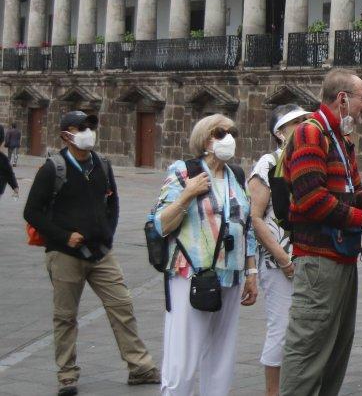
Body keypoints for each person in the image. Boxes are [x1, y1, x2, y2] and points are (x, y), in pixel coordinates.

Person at [24, 111, 159, 396]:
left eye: (91, 126)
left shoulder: (102, 165)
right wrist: (63, 236)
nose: (89, 132)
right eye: (81, 127)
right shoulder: (53, 169)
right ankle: (67, 375)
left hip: (101, 253)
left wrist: (108, 231)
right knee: (65, 316)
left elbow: (113, 203)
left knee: (122, 306)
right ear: (66, 135)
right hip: (65, 254)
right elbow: (32, 212)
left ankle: (140, 367)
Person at [280, 69, 362, 396]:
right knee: (308, 351)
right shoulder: (309, 133)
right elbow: (312, 199)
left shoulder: (340, 139)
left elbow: (352, 192)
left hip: (341, 259)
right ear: (343, 99)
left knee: (336, 350)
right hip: (317, 262)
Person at [150, 113, 258, 395]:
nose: (229, 139)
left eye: (231, 132)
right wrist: (187, 194)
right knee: (182, 356)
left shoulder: (236, 175)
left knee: (222, 354)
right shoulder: (183, 171)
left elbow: (246, 227)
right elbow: (160, 223)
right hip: (190, 273)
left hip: (230, 275)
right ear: (205, 139)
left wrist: (251, 272)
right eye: (221, 133)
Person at [248, 104, 309, 396]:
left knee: (305, 332)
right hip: (279, 263)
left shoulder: (308, 160)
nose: (301, 126)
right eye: (294, 123)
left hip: (309, 259)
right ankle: (273, 392)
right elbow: (255, 218)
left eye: (304, 121)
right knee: (281, 330)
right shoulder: (268, 164)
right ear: (280, 132)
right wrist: (283, 259)